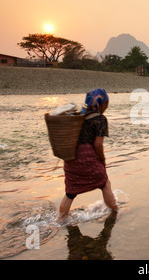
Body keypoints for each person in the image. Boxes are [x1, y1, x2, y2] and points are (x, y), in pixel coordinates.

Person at [58, 88, 119, 220]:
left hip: (71, 158)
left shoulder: (78, 117)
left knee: (70, 192)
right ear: (101, 104)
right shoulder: (100, 119)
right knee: (104, 183)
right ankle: (115, 210)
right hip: (88, 158)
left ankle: (60, 219)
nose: (106, 107)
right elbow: (97, 144)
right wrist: (102, 160)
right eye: (106, 104)